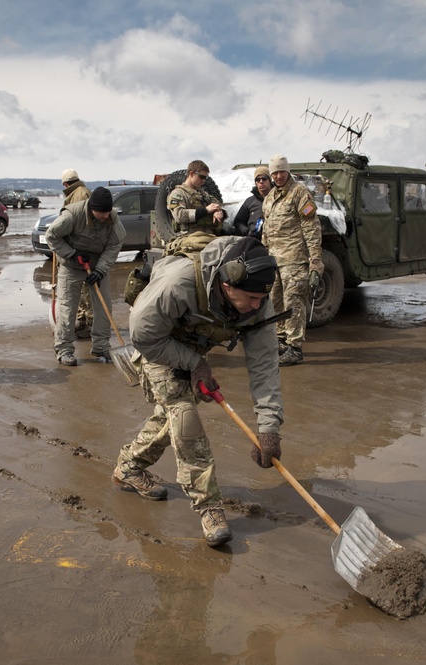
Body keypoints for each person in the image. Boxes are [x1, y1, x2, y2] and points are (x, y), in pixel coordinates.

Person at [113, 235, 283, 547]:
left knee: (171, 420)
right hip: (157, 345)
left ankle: (129, 467)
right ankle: (209, 508)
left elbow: (264, 365)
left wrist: (268, 427)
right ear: (227, 285)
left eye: (263, 298)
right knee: (185, 418)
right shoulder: (180, 283)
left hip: (190, 345)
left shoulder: (257, 297)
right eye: (252, 299)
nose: (258, 306)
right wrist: (194, 364)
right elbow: (143, 334)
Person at [46, 186, 125, 366]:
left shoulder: (112, 217)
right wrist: (72, 253)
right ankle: (64, 350)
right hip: (71, 265)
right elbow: (51, 236)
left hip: (97, 267)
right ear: (91, 209)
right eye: (101, 213)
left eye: (107, 212)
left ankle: (101, 346)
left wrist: (100, 270)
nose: (105, 216)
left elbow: (115, 244)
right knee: (68, 308)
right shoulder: (72, 215)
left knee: (104, 308)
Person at [260, 155, 325, 367]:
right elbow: (267, 229)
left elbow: (311, 227)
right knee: (276, 301)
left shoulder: (300, 193)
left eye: (281, 172)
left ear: (288, 172)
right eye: (274, 173)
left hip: (295, 259)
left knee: (294, 302)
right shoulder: (270, 196)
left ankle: (295, 348)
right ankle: (281, 342)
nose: (278, 176)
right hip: (274, 260)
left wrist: (315, 259)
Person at [60, 169, 94, 340]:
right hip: (79, 249)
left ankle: (88, 325)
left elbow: (81, 225)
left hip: (81, 250)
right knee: (82, 291)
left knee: (86, 291)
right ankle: (82, 321)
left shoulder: (80, 195)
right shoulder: (80, 192)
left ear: (65, 184)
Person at [167, 160, 227, 238]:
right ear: (191, 174)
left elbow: (217, 204)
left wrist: (218, 210)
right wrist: (206, 210)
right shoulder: (178, 194)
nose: (203, 180)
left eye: (206, 178)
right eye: (201, 177)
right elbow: (179, 215)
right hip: (190, 237)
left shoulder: (202, 193)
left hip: (208, 235)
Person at [232, 165, 272, 240]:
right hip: (254, 241)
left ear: (269, 180)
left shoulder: (278, 198)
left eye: (264, 178)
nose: (261, 182)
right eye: (258, 179)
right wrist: (248, 232)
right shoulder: (249, 202)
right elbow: (238, 222)